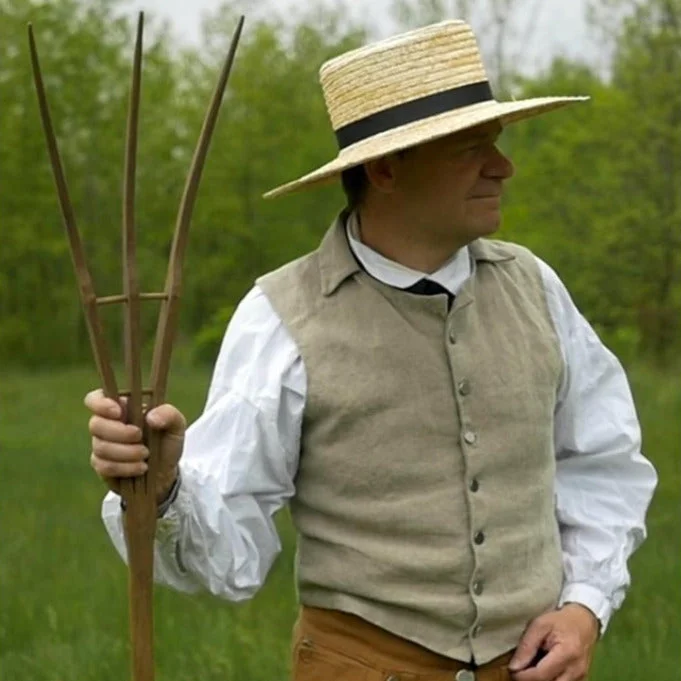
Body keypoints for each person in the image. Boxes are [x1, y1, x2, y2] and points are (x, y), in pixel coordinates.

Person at [86, 20, 657, 681]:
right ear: (386, 168)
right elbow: (226, 555)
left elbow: (602, 462)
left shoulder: (536, 288)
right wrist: (163, 490)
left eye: (495, 144)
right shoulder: (283, 318)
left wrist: (583, 606)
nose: (503, 166)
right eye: (472, 148)